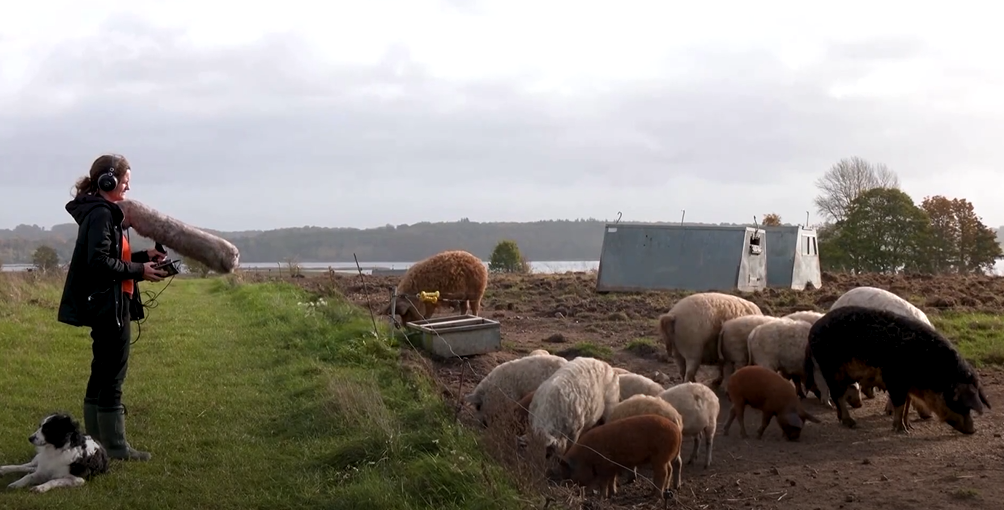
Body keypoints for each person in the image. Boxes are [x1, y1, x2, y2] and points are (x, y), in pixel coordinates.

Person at [57, 154, 168, 461]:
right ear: (108, 181)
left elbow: (113, 257)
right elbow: (99, 262)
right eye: (125, 183)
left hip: (107, 303)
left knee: (102, 371)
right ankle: (116, 448)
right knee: (113, 376)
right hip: (109, 306)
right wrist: (140, 271)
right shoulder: (103, 214)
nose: (127, 189)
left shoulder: (101, 212)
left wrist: (144, 257)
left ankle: (93, 443)